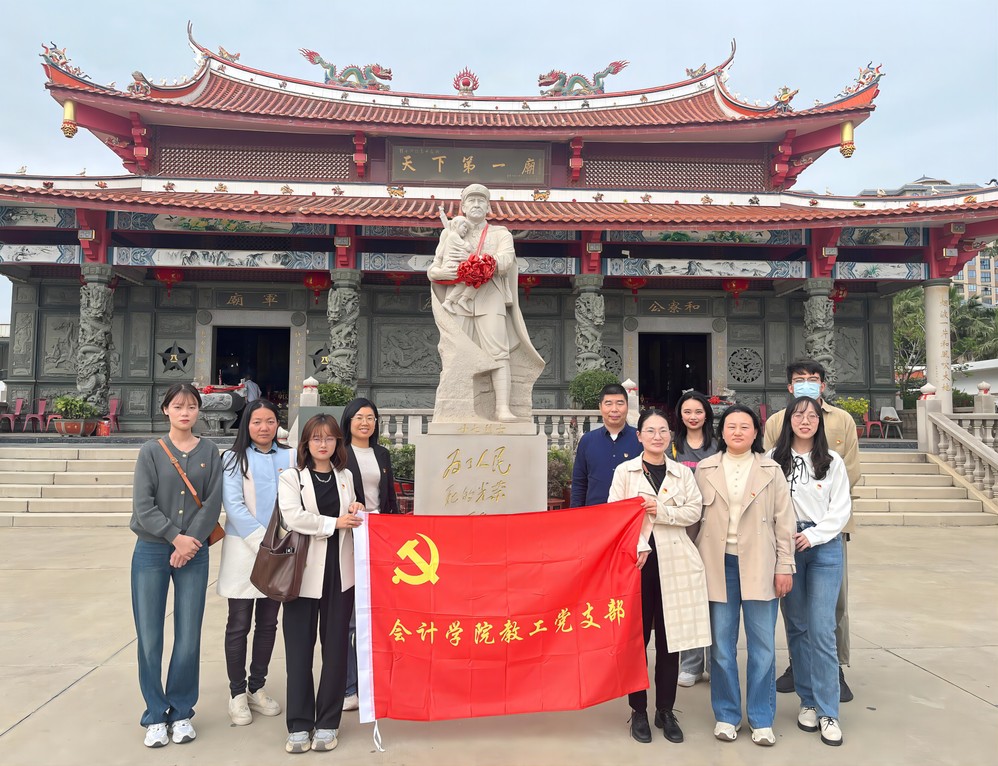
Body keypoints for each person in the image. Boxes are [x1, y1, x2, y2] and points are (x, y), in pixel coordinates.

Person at [694, 405, 795, 746]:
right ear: (721, 432)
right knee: (722, 647)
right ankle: (726, 715)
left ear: (756, 433)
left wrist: (784, 565)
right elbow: (693, 521)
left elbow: (785, 521)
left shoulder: (771, 469)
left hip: (760, 564)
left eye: (745, 426)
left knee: (762, 647)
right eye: (731, 426)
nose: (737, 432)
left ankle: (761, 718)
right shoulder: (706, 468)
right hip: (717, 565)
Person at [608, 408, 710, 745]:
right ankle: (638, 709)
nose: (657, 436)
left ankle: (665, 710)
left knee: (670, 640)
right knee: (637, 640)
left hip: (675, 561)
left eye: (663, 430)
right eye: (650, 431)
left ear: (670, 436)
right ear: (639, 436)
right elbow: (615, 513)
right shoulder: (625, 472)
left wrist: (660, 511)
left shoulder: (682, 473)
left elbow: (694, 511)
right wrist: (639, 544)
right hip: (637, 563)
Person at [130, 382, 223, 748]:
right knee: (150, 636)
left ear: (199, 411)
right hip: (152, 551)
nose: (185, 412)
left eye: (192, 407)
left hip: (195, 553)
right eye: (178, 406)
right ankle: (155, 714)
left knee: (188, 635)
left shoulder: (210, 451)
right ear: (166, 410)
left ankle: (181, 711)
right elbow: (144, 505)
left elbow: (212, 502)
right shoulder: (151, 452)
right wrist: (175, 537)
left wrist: (189, 543)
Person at [763, 359, 859, 702]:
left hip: (828, 532)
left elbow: (849, 476)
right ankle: (801, 674)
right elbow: (768, 482)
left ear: (823, 384)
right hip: (786, 538)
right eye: (799, 379)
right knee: (796, 617)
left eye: (813, 379)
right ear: (790, 387)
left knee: (830, 611)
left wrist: (820, 525)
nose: (805, 421)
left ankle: (833, 673)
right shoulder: (775, 428)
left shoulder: (841, 425)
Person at [278, 414, 364, 754]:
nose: (323, 444)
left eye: (329, 438)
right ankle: (299, 724)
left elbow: (352, 515)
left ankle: (328, 722)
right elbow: (293, 517)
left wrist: (355, 507)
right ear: (306, 443)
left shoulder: (346, 477)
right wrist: (335, 523)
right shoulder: (292, 477)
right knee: (299, 651)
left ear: (337, 443)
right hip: (302, 574)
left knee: (336, 650)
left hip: (340, 574)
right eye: (316, 438)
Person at [770, 396, 851, 746]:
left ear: (820, 421)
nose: (805, 421)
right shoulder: (774, 459)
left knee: (821, 629)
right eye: (799, 415)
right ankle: (808, 700)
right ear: (789, 420)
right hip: (787, 547)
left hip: (823, 547)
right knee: (797, 627)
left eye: (812, 416)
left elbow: (841, 508)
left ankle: (829, 710)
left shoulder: (831, 461)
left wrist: (814, 535)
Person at [428, 183, 544, 422]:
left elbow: (506, 260)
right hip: (458, 301)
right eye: (471, 201)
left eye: (481, 201)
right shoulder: (449, 232)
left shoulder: (500, 233)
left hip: (491, 297)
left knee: (499, 352)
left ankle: (502, 408)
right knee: (458, 351)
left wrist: (480, 263)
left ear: (488, 206)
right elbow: (434, 268)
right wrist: (442, 273)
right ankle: (458, 408)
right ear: (463, 206)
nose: (476, 204)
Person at [217, 399, 296, 726]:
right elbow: (233, 505)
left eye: (270, 421)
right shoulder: (233, 458)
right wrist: (264, 542)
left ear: (278, 424)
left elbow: (296, 501)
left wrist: (280, 542)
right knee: (238, 623)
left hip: (280, 549)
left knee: (268, 623)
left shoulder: (290, 456)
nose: (264, 427)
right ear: (246, 425)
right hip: (244, 549)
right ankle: (236, 693)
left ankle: (256, 687)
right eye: (257, 422)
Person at [339, 397, 400, 712]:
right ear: (349, 421)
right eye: (359, 417)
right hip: (350, 539)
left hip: (380, 538)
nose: (365, 423)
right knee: (352, 616)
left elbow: (389, 499)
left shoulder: (382, 454)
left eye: (371, 418)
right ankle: (350, 686)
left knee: (379, 613)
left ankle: (376, 681)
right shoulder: (339, 454)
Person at [672, 391, 719, 688]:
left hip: (714, 527)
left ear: (706, 415)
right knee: (687, 597)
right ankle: (690, 664)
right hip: (682, 530)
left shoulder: (718, 445)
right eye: (687, 411)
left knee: (715, 597)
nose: (693, 417)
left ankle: (715, 663)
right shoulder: (672, 446)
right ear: (680, 415)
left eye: (698, 411)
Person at [570, 383, 641, 507]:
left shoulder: (640, 439)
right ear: (600, 407)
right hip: (595, 512)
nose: (614, 409)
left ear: (627, 406)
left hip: (630, 513)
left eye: (620, 403)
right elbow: (579, 484)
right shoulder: (587, 441)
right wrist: (575, 513)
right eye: (608, 404)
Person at [438, 215, 476, 313]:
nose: (466, 230)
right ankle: (460, 300)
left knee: (465, 282)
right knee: (474, 278)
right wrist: (469, 242)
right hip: (451, 266)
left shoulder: (451, 236)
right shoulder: (454, 236)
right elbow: (468, 248)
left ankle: (453, 301)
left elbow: (440, 254)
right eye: (464, 227)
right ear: (456, 225)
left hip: (451, 265)